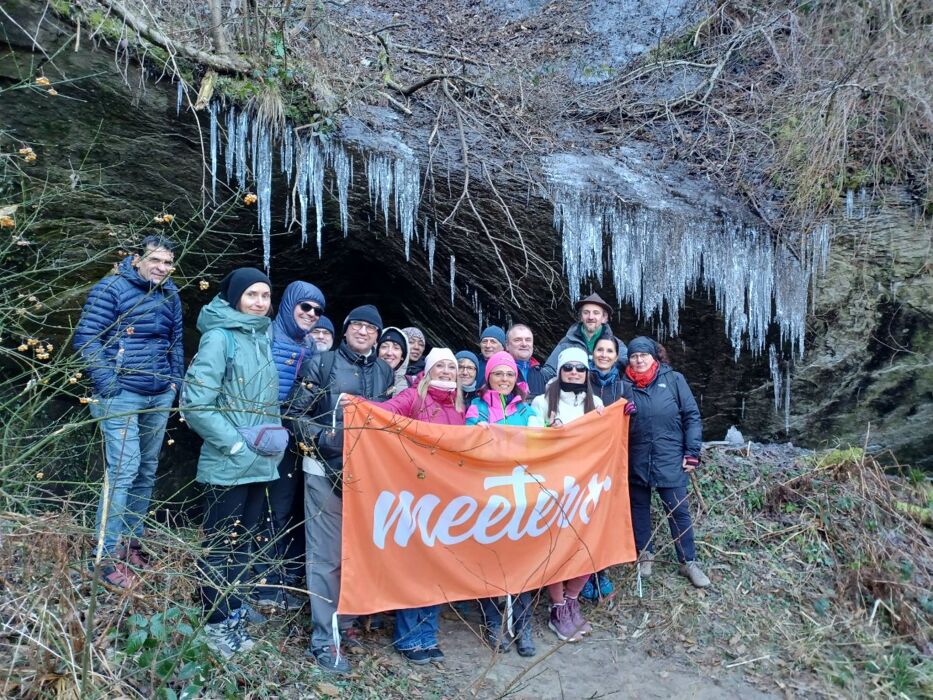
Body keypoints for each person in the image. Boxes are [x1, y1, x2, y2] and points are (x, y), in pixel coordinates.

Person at [182, 268, 285, 658]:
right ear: (234, 298)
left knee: (244, 544)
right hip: (229, 462)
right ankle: (214, 622)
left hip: (261, 461)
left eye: (265, 296)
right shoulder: (218, 338)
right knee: (220, 545)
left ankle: (231, 610)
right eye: (252, 295)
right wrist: (235, 447)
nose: (260, 302)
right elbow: (196, 404)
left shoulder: (261, 337)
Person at [287, 305, 395, 675]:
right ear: (346, 329)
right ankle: (322, 638)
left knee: (356, 553)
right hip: (323, 469)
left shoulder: (383, 371)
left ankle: (343, 622)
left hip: (366, 474)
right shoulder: (323, 363)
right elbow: (294, 415)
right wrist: (325, 438)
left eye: (370, 327)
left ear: (377, 335)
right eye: (357, 325)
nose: (363, 332)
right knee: (326, 555)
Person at [73, 235, 183, 588]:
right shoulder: (111, 289)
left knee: (147, 469)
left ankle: (130, 543)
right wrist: (110, 386)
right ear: (137, 259)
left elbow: (175, 341)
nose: (162, 269)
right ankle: (103, 557)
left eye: (168, 263)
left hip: (158, 393)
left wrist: (173, 382)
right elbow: (87, 338)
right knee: (124, 469)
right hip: (120, 394)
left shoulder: (171, 294)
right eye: (156, 261)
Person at [375, 348, 464, 664]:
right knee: (417, 566)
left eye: (450, 367)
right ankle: (407, 635)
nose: (446, 371)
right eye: (439, 366)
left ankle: (428, 634)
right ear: (428, 370)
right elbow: (383, 413)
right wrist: (356, 405)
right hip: (416, 495)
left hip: (446, 497)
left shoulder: (458, 405)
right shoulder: (413, 397)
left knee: (438, 565)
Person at [254, 280, 326, 612]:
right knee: (270, 509)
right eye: (305, 307)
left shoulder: (311, 347)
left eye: (317, 310)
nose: (311, 314)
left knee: (291, 507)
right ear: (289, 305)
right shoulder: (264, 336)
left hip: (296, 436)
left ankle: (281, 577)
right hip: (264, 433)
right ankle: (263, 583)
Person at [465, 351, 540, 656]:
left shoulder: (527, 409)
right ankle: (493, 621)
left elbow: (542, 440)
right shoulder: (477, 407)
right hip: (488, 494)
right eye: (498, 374)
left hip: (521, 494)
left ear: (516, 378)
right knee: (489, 557)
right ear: (489, 377)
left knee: (522, 561)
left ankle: (522, 625)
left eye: (509, 374)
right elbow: (471, 442)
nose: (504, 379)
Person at [621, 336, 710, 588]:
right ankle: (644, 554)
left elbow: (691, 415)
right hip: (635, 456)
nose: (638, 360)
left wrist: (692, 451)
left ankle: (688, 562)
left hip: (669, 456)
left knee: (678, 510)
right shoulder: (624, 384)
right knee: (639, 507)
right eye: (634, 356)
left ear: (654, 357)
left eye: (643, 355)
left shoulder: (673, 380)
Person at [530, 347, 604, 641]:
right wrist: (550, 432)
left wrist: (618, 416)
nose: (574, 372)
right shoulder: (541, 401)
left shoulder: (595, 402)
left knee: (587, 546)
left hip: (587, 485)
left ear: (587, 373)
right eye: (568, 367)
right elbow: (531, 439)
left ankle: (573, 600)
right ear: (559, 371)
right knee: (558, 547)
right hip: (555, 485)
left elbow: (603, 441)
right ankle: (557, 607)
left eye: (580, 368)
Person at [580, 333, 631, 603]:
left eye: (609, 351)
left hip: (610, 461)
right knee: (585, 515)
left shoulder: (623, 387)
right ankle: (585, 574)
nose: (603, 355)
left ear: (615, 356)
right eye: (599, 350)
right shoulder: (581, 379)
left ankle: (602, 571)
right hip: (584, 461)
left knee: (604, 518)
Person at [542, 293, 627, 381]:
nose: (590, 317)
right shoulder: (567, 342)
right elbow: (549, 371)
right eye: (586, 312)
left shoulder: (616, 344)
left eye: (596, 313)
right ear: (581, 317)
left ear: (604, 318)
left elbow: (630, 367)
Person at [505, 323, 546, 398]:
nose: (524, 344)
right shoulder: (498, 371)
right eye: (518, 340)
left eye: (528, 340)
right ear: (507, 345)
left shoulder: (540, 373)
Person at [377, 326, 410, 396]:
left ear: (402, 356)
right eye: (384, 347)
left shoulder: (408, 387)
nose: (389, 353)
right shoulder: (363, 375)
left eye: (396, 348)